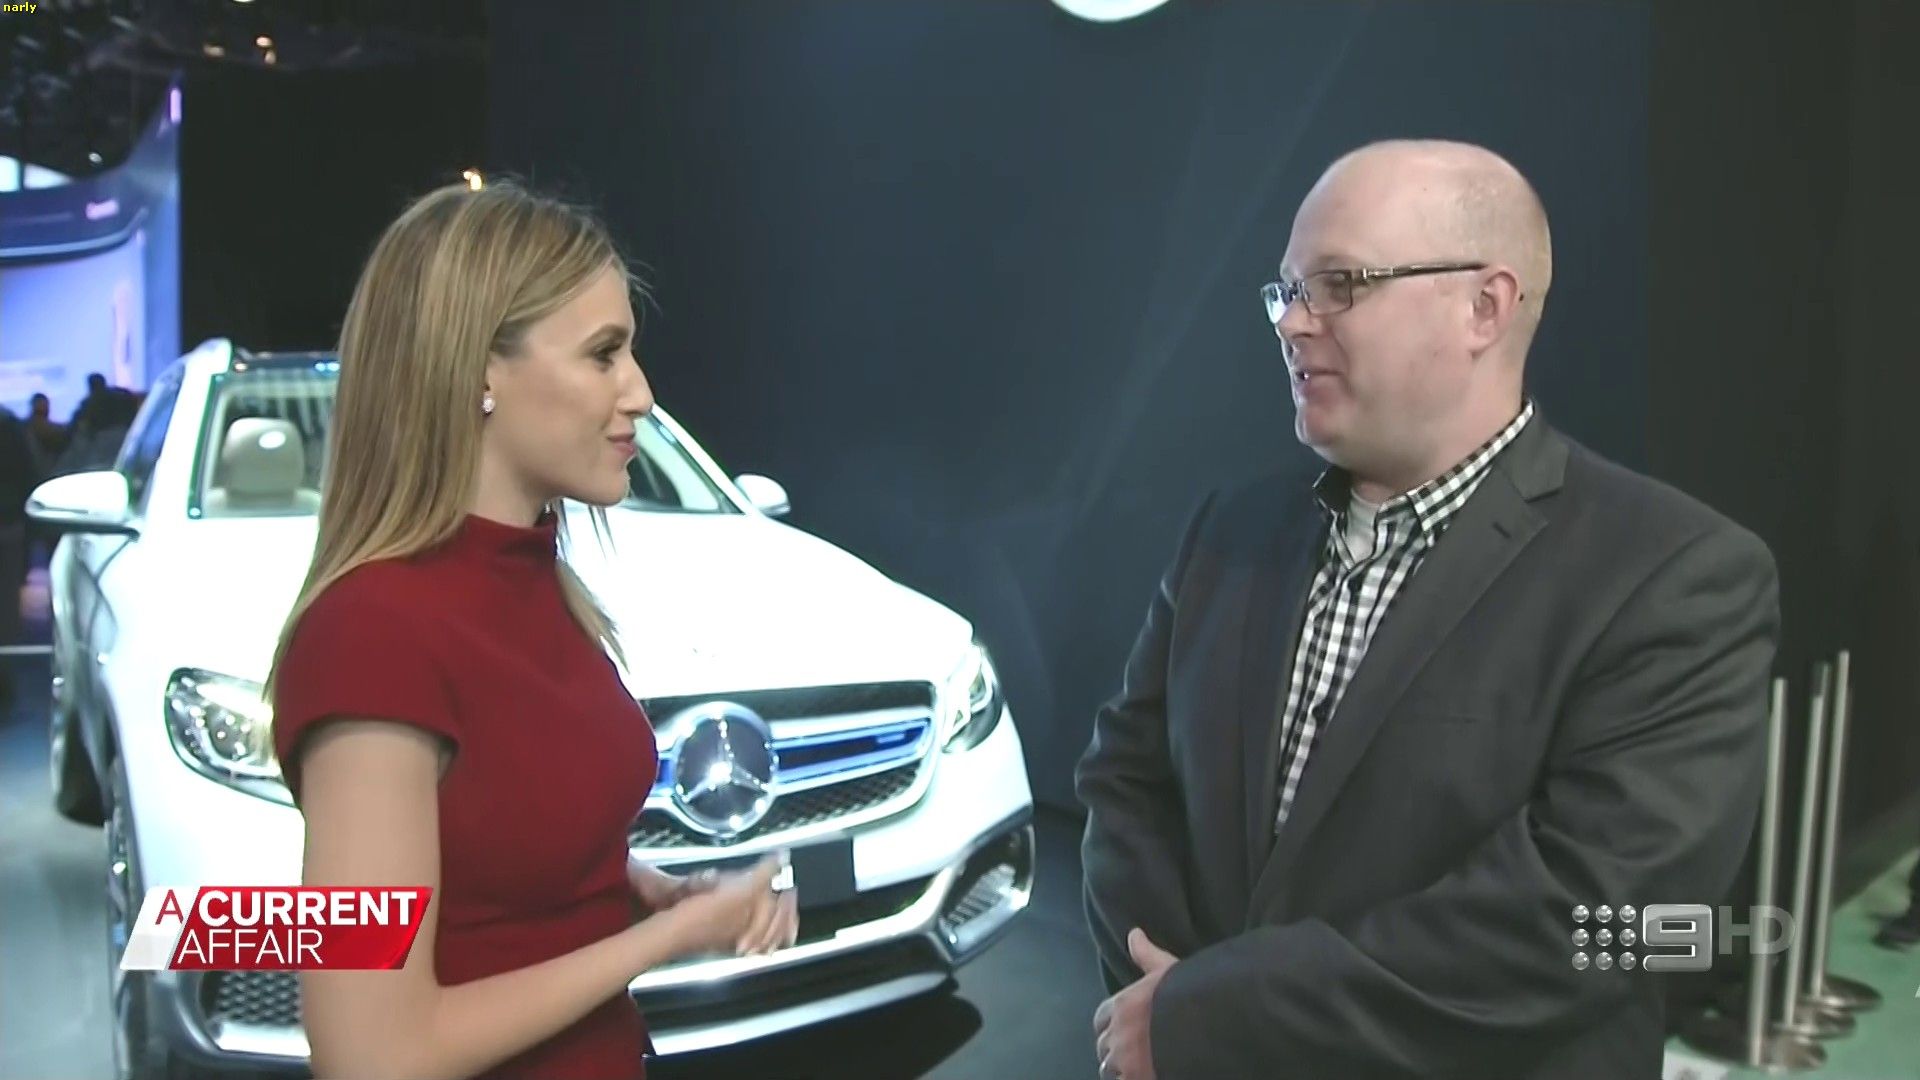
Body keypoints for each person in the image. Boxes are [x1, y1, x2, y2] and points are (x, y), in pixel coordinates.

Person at [1077, 140, 1780, 1080]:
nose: (1293, 323)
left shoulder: (1672, 578)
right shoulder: (1229, 533)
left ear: (1484, 307)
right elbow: (1124, 784)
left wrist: (1217, 1020)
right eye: (1287, 291)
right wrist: (1165, 1007)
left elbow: (1598, 919)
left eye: (1339, 285)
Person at [266, 180, 799, 1080]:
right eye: (603, 355)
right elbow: (372, 1054)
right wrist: (663, 940)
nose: (641, 392)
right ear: (480, 369)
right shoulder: (369, 637)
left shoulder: (544, 587)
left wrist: (642, 891)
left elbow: (501, 850)